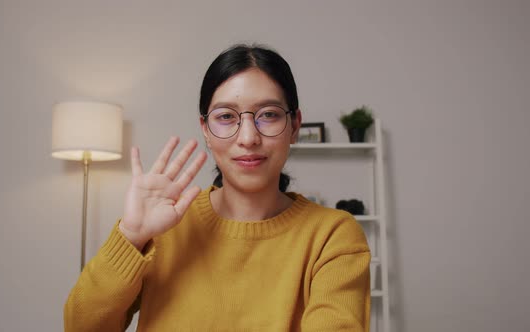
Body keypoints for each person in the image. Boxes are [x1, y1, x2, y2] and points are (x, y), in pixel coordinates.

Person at [64, 44, 371, 331]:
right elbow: (81, 326)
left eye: (268, 115)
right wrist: (131, 237)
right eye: (226, 117)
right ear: (206, 131)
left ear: (294, 126)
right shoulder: (165, 225)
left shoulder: (333, 235)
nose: (248, 137)